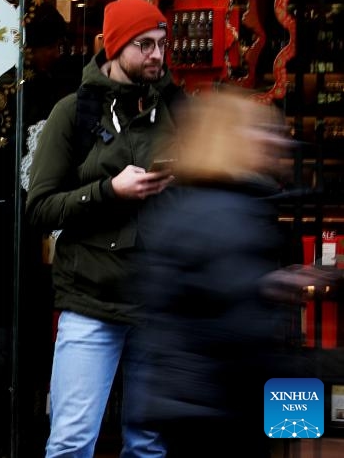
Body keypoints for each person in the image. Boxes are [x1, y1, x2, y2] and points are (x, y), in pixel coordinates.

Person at [128, 89, 335, 457]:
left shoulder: (191, 203)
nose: (276, 141)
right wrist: (305, 383)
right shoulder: (231, 212)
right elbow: (240, 328)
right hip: (219, 403)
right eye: (260, 131)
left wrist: (269, 285)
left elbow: (202, 298)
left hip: (184, 399)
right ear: (232, 139)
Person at [25, 0, 180, 458]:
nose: (157, 54)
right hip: (91, 301)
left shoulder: (175, 109)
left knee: (149, 445)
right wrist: (109, 191)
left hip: (157, 302)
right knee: (72, 442)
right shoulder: (73, 114)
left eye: (162, 43)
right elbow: (40, 209)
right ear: (114, 48)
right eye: (145, 45)